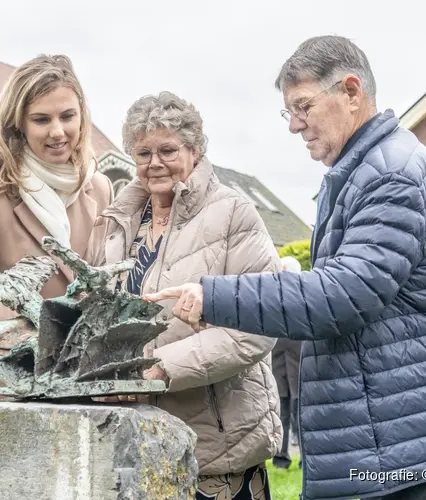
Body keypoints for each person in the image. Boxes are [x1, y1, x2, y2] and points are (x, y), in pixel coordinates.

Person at [144, 36, 426, 500]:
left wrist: (213, 296)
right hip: (404, 433)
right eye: (288, 112)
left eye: (303, 107)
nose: (295, 126)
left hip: (423, 448)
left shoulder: (390, 173)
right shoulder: (362, 170)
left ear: (351, 92)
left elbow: (343, 296)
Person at [87, 91, 283, 500]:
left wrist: (158, 370)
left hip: (215, 451)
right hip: (137, 443)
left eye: (167, 150)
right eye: (143, 153)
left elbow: (258, 327)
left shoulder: (234, 214)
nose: (154, 163)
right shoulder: (119, 222)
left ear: (195, 150)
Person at [0, 54, 113, 405]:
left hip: (68, 391)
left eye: (67, 116)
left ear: (82, 116)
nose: (58, 131)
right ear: (18, 124)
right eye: (41, 119)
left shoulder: (100, 188)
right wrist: (50, 333)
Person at [271, 255, 302, 471]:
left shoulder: (302, 297)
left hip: (298, 361)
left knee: (299, 411)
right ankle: (281, 457)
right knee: (283, 410)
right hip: (279, 361)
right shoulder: (273, 298)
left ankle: (304, 459)